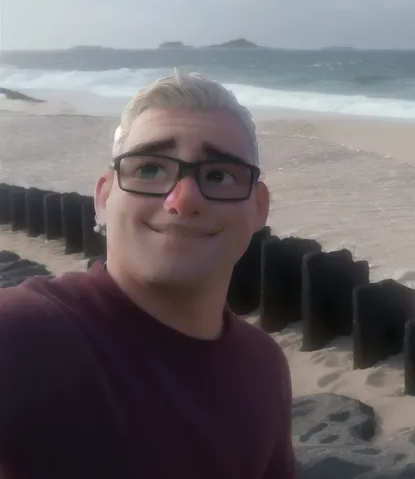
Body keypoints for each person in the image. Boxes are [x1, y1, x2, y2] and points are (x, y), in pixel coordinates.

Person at [0, 71, 296, 478]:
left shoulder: (265, 368)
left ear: (259, 208)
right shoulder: (23, 334)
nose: (183, 200)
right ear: (103, 198)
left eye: (219, 175)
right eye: (150, 169)